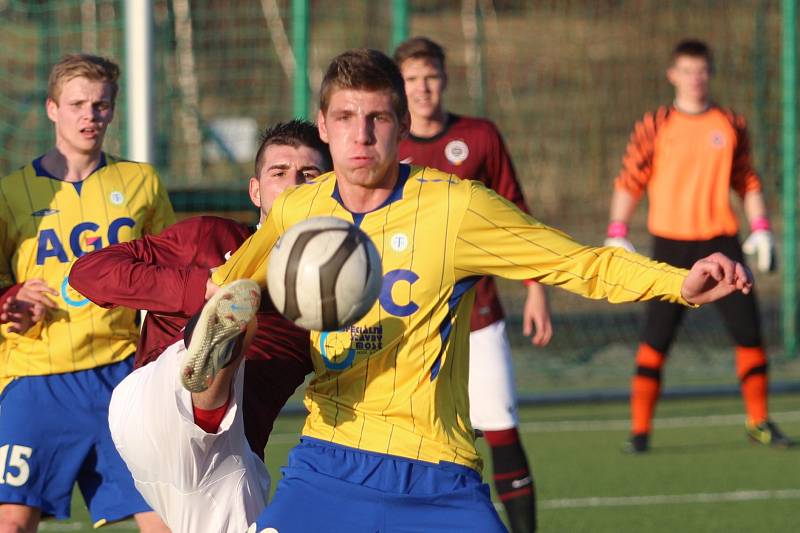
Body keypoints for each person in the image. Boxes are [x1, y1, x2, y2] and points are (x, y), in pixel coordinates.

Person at [201, 48, 752, 533]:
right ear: (323, 125)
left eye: (377, 117)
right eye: (345, 117)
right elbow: (228, 289)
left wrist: (679, 282)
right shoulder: (297, 209)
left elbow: (577, 263)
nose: (361, 134)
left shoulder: (457, 208)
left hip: (436, 475)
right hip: (328, 464)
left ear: (403, 125)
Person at [69, 120, 330, 532]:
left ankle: (221, 343)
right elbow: (89, 271)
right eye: (279, 173)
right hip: (154, 404)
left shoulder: (334, 285)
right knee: (234, 316)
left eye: (309, 175)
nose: (294, 184)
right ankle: (217, 338)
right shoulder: (207, 236)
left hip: (227, 460)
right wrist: (201, 289)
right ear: (255, 191)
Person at [0, 54, 174, 532]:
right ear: (52, 108)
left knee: (164, 520)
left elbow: (169, 273)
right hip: (36, 379)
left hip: (120, 375)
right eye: (77, 104)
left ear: (113, 110)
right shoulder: (11, 192)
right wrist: (10, 299)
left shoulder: (141, 182)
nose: (89, 116)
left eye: (100, 105)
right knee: (11, 522)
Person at [604, 39, 794, 453]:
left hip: (721, 243)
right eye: (687, 71)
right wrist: (617, 230)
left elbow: (747, 180)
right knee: (656, 338)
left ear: (711, 74)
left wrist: (761, 227)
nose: (695, 79)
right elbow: (629, 179)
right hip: (669, 246)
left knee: (749, 334)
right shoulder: (655, 124)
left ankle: (759, 421)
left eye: (702, 70)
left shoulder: (729, 123)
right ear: (673, 75)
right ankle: (639, 432)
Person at [394, 36, 549, 533]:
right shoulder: (384, 146)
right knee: (410, 440)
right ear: (400, 86)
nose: (423, 89)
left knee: (500, 426)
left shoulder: (479, 136)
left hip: (478, 315)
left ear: (445, 79)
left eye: (431, 77)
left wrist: (535, 289)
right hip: (405, 321)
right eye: (412, 79)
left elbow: (516, 217)